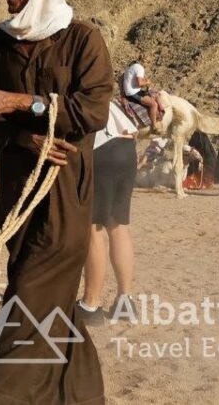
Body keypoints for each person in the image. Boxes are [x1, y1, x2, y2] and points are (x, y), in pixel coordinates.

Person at [0, 0, 114, 405]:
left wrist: (23, 102)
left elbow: (93, 110)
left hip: (66, 185)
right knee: (44, 289)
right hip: (15, 183)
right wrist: (22, 137)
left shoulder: (83, 39)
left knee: (34, 282)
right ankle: (76, 392)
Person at [79, 100, 140, 326]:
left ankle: (90, 304)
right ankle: (125, 301)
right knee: (119, 226)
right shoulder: (99, 81)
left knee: (93, 228)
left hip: (100, 150)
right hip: (126, 147)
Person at [121, 61, 163, 128]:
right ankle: (154, 126)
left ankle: (161, 110)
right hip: (133, 93)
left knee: (155, 95)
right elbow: (140, 83)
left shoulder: (128, 69)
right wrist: (147, 82)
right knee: (153, 104)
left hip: (133, 91)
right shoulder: (139, 67)